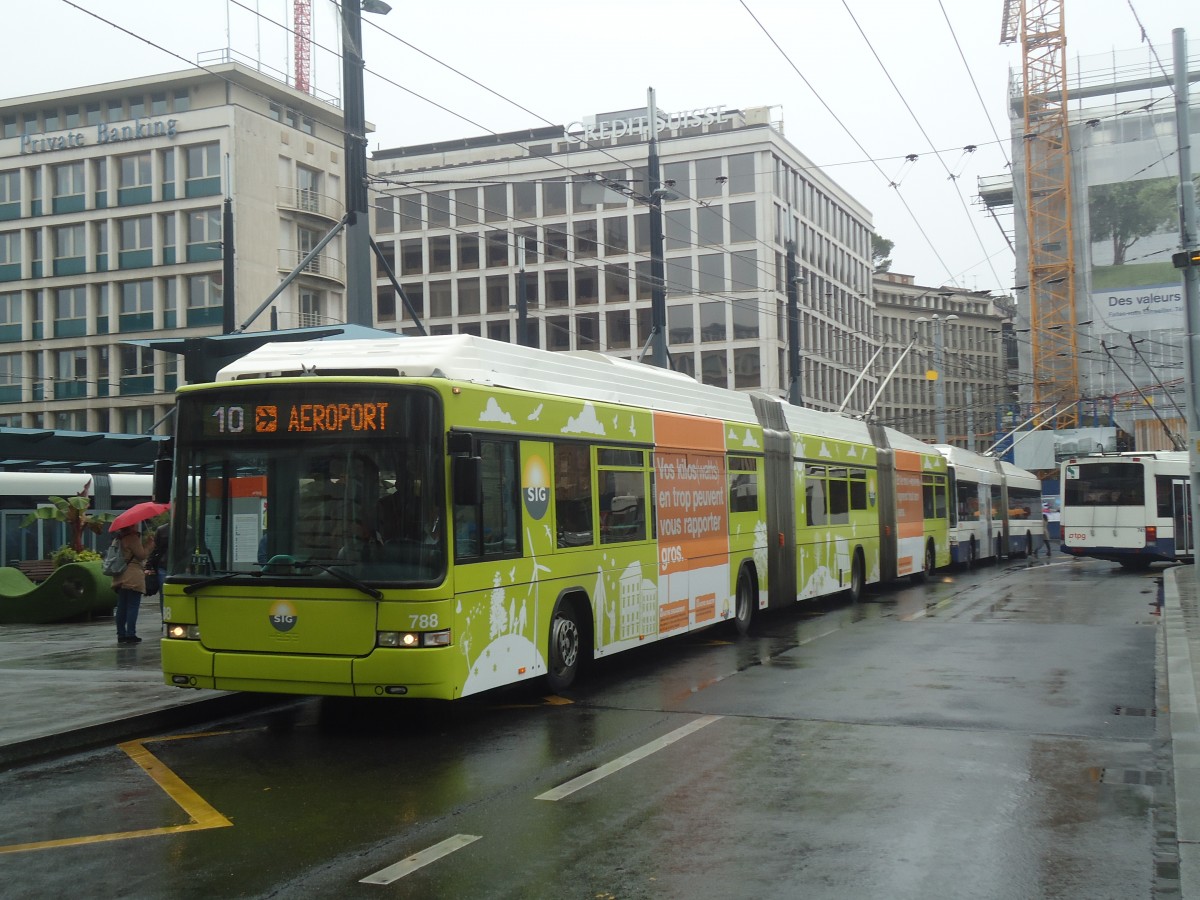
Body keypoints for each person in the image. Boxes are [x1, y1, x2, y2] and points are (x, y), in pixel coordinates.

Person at [110, 524, 152, 644]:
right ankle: (131, 634)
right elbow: (142, 555)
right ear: (131, 526)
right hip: (132, 576)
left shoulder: (117, 538)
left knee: (122, 606)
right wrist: (149, 544)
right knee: (132, 606)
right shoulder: (132, 538)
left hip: (120, 575)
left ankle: (121, 634)